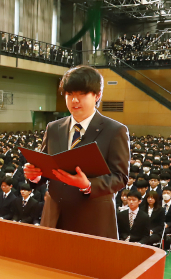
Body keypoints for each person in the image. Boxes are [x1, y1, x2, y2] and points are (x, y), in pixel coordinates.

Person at [24, 66, 130, 239]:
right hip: (55, 213)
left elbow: (120, 177)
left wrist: (88, 185)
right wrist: (35, 175)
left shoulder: (115, 130)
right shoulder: (54, 127)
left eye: (82, 94)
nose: (74, 100)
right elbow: (47, 166)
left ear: (97, 95)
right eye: (70, 94)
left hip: (92, 216)